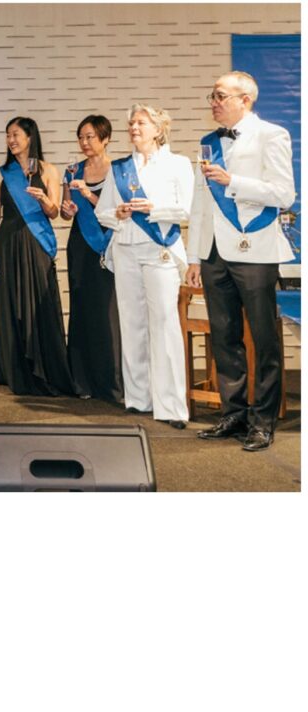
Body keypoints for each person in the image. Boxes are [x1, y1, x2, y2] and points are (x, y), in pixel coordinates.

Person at [186, 72, 296, 451]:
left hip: (255, 249)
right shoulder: (208, 142)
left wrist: (232, 181)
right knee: (224, 337)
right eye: (212, 96)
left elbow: (284, 194)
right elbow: (200, 202)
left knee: (264, 339)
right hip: (214, 252)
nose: (213, 103)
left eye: (220, 96)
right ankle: (233, 414)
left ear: (245, 99)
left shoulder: (271, 135)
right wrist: (195, 256)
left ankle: (263, 421)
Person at [94, 104, 194, 429]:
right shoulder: (120, 168)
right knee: (132, 323)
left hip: (159, 249)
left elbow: (187, 209)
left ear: (158, 128)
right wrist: (118, 213)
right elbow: (102, 212)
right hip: (125, 248)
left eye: (141, 122)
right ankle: (139, 398)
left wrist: (154, 208)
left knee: (164, 324)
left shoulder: (178, 164)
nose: (134, 127)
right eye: (131, 123)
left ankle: (172, 406)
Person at [0, 117, 74, 396]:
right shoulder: (0, 173)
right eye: (7, 135)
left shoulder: (48, 170)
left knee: (38, 302)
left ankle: (45, 369)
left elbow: (54, 212)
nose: (11, 140)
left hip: (36, 242)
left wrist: (43, 199)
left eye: (15, 134)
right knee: (11, 303)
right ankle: (16, 369)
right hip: (8, 243)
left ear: (30, 137)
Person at [59, 115, 124, 403]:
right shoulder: (72, 170)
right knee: (82, 307)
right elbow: (65, 211)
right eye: (81, 137)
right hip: (80, 244)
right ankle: (81, 379)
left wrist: (88, 194)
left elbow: (117, 211)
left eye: (90, 137)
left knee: (108, 311)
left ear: (105, 138)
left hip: (109, 242)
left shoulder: (118, 170)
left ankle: (111, 383)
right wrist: (68, 209)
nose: (85, 142)